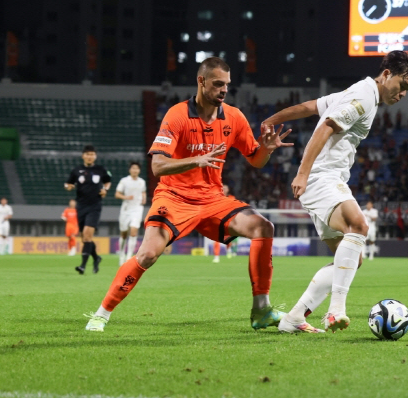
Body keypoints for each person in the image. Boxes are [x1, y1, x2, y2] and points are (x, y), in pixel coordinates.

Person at [84, 57, 292, 332]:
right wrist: (197, 160)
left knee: (263, 227)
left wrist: (266, 149)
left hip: (213, 199)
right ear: (201, 81)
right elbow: (157, 166)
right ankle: (101, 314)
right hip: (174, 197)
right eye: (218, 84)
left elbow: (255, 160)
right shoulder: (178, 115)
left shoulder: (234, 117)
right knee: (147, 254)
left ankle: (261, 310)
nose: (223, 90)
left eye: (227, 85)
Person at [262, 50, 408, 333]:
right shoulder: (363, 96)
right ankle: (336, 309)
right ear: (386, 75)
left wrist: (270, 121)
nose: (403, 95)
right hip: (321, 177)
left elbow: (312, 107)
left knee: (352, 258)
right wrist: (303, 172)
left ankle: (294, 318)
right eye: (402, 87)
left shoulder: (357, 92)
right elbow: (324, 126)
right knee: (358, 225)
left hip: (326, 178)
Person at [65, 145, 112, 275]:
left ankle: (82, 266)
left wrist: (105, 190)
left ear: (95, 156)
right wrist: (68, 186)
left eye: (92, 154)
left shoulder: (101, 169)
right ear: (83, 156)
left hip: (95, 206)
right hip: (81, 206)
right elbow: (68, 183)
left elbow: (108, 181)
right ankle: (96, 258)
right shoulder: (76, 170)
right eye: (87, 154)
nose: (90, 156)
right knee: (85, 238)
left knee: (87, 235)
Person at [114, 162, 147, 266]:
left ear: (139, 170)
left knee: (133, 231)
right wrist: (126, 197)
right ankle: (122, 254)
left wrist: (144, 198)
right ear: (130, 170)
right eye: (133, 168)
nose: (135, 170)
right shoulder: (124, 181)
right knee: (123, 234)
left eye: (137, 168)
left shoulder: (142, 182)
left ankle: (129, 257)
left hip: (137, 209)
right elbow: (117, 194)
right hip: (126, 209)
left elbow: (143, 191)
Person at [213, 184, 236, 263]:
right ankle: (216, 257)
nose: (223, 189)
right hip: (218, 221)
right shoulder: (217, 198)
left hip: (228, 221)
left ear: (228, 190)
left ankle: (229, 249)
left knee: (227, 238)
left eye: (225, 188)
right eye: (222, 188)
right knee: (216, 239)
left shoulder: (231, 198)